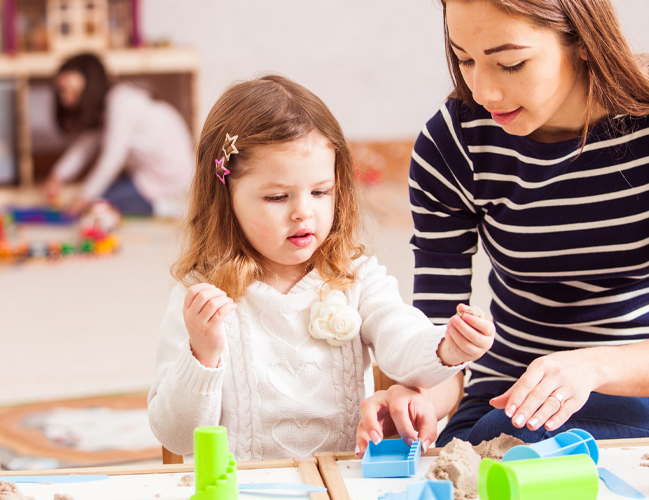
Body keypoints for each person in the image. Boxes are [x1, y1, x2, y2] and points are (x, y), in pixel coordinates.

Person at [357, 0, 649, 452]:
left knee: (517, 442)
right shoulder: (453, 144)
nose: (484, 92)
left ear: (583, 41)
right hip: (502, 404)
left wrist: (587, 368)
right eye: (464, 60)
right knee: (488, 445)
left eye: (510, 64)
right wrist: (417, 398)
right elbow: (440, 343)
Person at [147, 74, 496, 460]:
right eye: (277, 196)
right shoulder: (199, 296)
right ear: (225, 197)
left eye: (320, 192)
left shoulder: (355, 277)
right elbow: (176, 437)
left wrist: (446, 347)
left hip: (341, 484)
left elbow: (401, 340)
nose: (303, 212)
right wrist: (203, 353)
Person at [43, 53, 195, 218]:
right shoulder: (109, 104)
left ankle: (165, 206)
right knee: (103, 194)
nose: (65, 100)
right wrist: (57, 176)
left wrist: (83, 198)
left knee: (99, 204)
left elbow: (112, 159)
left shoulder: (121, 103)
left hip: (168, 179)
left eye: (71, 91)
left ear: (89, 88)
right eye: (62, 92)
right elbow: (86, 144)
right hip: (147, 174)